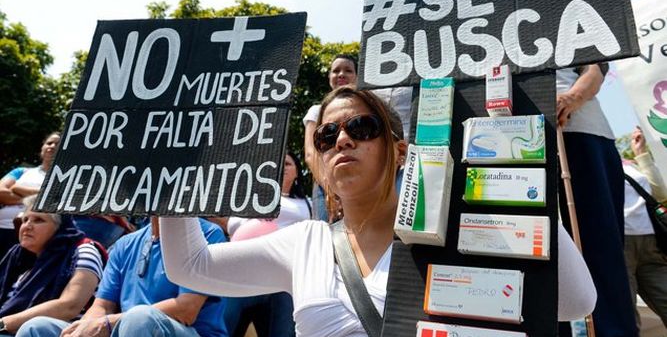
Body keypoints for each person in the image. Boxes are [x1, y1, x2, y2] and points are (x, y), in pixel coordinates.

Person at [160, 87, 597, 335]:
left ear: (401, 151)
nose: (342, 141)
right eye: (326, 136)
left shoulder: (457, 228)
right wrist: (170, 162)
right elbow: (190, 266)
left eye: (361, 127)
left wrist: (516, 184)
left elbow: (577, 301)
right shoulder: (306, 244)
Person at [16, 217, 228, 337]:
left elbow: (187, 310)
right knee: (36, 328)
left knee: (140, 318)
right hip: (125, 327)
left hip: (189, 332)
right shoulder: (126, 243)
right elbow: (102, 305)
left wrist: (108, 323)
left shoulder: (209, 234)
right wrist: (84, 329)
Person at [556, 64, 637, 336]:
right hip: (510, 136)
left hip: (577, 130)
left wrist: (571, 99)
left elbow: (595, 68)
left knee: (598, 249)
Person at [223, 152, 311, 337]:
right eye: (277, 164)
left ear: (297, 172)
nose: (281, 167)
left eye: (287, 164)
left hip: (281, 279)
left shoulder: (308, 204)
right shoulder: (248, 200)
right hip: (239, 275)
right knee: (223, 330)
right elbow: (229, 225)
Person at [0, 195, 103, 336]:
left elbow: (69, 306)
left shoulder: (83, 250)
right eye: (25, 219)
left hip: (62, 330)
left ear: (60, 227)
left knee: (34, 326)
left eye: (38, 220)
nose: (27, 226)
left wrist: (3, 324)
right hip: (9, 329)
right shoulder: (19, 259)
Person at [303, 54, 358, 222]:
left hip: (357, 181)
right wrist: (330, 189)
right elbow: (311, 154)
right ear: (329, 78)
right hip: (324, 185)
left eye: (348, 70)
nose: (341, 74)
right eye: (336, 71)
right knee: (326, 239)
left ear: (357, 77)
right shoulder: (317, 111)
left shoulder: (363, 109)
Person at [622, 127, 667, 328]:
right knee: (627, 314)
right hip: (621, 243)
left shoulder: (630, 165)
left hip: (652, 242)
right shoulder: (593, 166)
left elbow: (659, 192)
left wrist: (641, 153)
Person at [0, 133, 60, 257]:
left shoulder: (64, 179)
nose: (52, 146)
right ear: (42, 147)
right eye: (49, 143)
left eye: (58, 144)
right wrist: (43, 196)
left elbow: (58, 201)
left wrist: (18, 189)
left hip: (35, 237)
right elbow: (1, 192)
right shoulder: (21, 172)